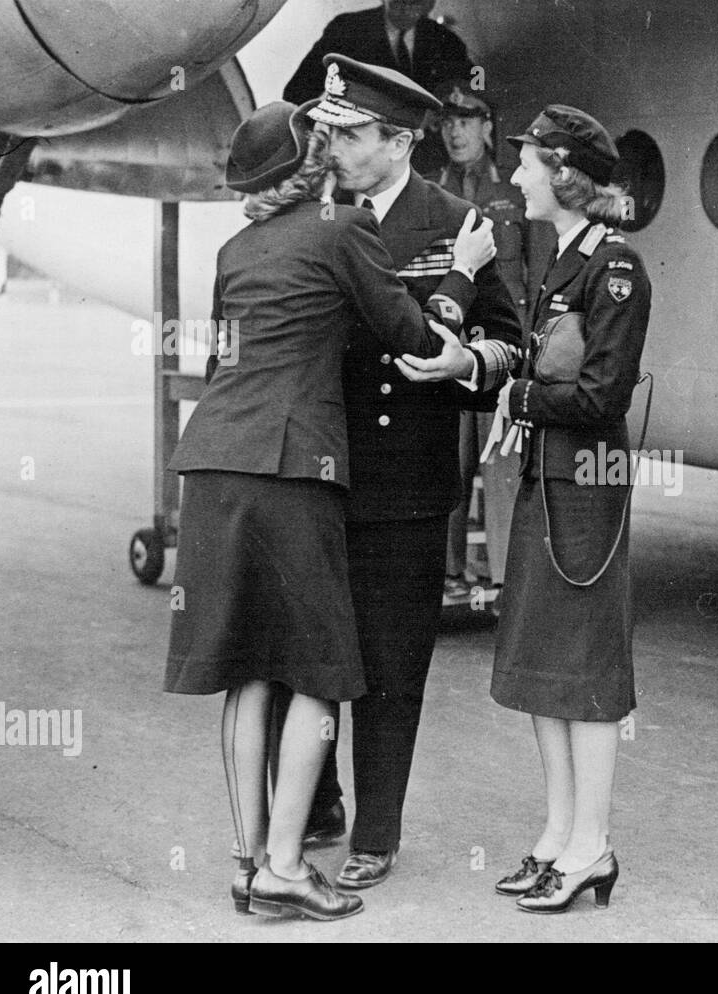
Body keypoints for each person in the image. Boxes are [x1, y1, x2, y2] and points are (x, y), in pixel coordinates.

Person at [163, 99, 485, 920]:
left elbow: (221, 354)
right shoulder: (341, 232)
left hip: (212, 463)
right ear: (311, 162)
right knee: (318, 669)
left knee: (251, 669)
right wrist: (462, 275)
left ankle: (248, 860)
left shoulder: (237, 250)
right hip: (292, 467)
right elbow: (411, 336)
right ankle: (283, 871)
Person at [300, 54, 522, 892]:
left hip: (404, 481)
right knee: (311, 650)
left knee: (392, 663)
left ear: (399, 142)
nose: (335, 148)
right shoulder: (318, 214)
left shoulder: (455, 220)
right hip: (318, 473)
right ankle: (314, 800)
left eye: (351, 135)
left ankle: (377, 829)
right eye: (328, 132)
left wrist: (465, 360)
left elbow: (512, 345)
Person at [486, 105, 651, 913]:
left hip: (585, 485)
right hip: (549, 479)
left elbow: (598, 394)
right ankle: (558, 836)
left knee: (584, 671)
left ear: (563, 172)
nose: (515, 176)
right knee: (545, 665)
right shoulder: (564, 260)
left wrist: (516, 392)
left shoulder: (615, 269)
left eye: (525, 163)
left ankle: (594, 847)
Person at [432, 80, 555, 602]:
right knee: (446, 465)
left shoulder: (513, 196)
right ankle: (448, 576)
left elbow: (539, 274)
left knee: (501, 464)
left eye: (466, 120)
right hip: (451, 349)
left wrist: (531, 353)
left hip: (503, 352)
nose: (455, 131)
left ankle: (505, 584)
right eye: (447, 121)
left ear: (488, 126)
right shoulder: (431, 191)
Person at [283, 1, 471, 174]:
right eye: (399, 3)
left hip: (426, 161)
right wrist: (322, 138)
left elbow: (476, 87)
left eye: (415, 4)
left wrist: (441, 112)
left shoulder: (445, 40)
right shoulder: (347, 29)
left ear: (428, 5)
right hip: (361, 157)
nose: (406, 11)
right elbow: (296, 92)